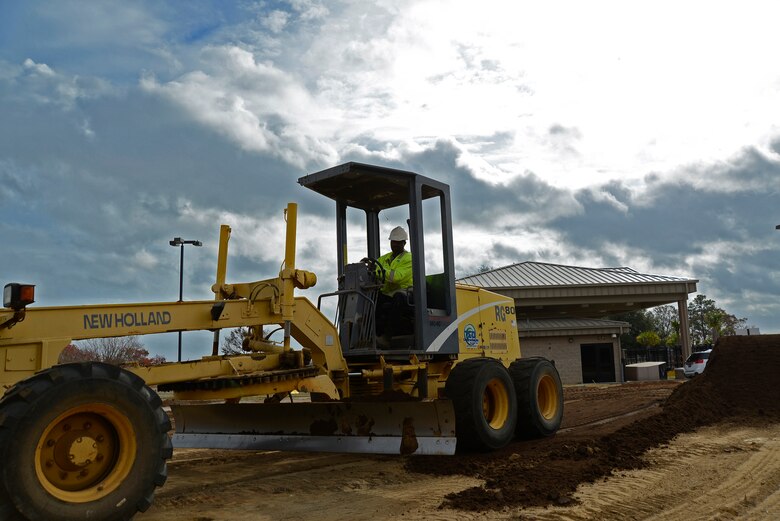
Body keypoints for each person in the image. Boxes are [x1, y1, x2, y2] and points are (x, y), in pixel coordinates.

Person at [374, 226, 413, 340]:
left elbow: (396, 277)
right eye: (393, 242)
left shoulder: (409, 258)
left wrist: (376, 271)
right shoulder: (384, 258)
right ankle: (373, 333)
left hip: (407, 292)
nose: (394, 244)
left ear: (404, 243)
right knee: (372, 298)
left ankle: (387, 337)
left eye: (397, 242)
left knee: (399, 297)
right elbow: (375, 268)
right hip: (388, 293)